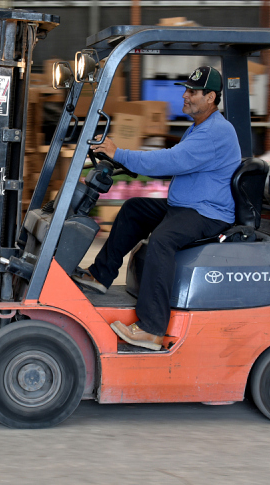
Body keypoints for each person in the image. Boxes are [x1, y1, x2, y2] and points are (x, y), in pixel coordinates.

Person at [73, 66, 241, 351]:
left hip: (208, 213)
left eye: (192, 92)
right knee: (135, 208)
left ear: (211, 97)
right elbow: (172, 166)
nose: (185, 96)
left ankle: (152, 328)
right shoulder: (198, 127)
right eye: (185, 90)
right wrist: (125, 162)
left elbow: (170, 162)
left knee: (162, 240)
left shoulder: (215, 133)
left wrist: (120, 153)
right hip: (186, 205)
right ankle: (100, 275)